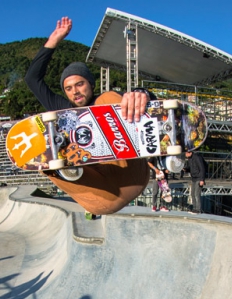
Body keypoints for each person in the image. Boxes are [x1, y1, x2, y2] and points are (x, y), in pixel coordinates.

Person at [24, 16, 151, 216]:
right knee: (46, 151)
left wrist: (142, 94)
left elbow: (133, 97)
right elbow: (32, 79)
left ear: (91, 84)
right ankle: (70, 170)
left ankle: (139, 121)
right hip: (102, 195)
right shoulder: (64, 109)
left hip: (132, 175)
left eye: (80, 84)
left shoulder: (105, 100)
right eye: (69, 88)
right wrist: (54, 39)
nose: (75, 91)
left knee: (107, 100)